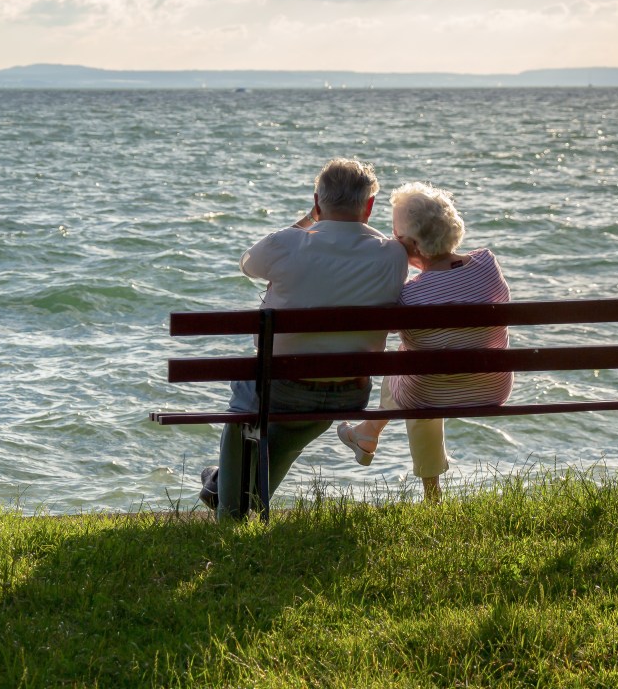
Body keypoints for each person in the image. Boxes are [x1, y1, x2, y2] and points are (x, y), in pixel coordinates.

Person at [199, 158, 409, 520]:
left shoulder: (288, 243)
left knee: (243, 411)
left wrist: (309, 221)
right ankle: (225, 489)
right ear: (370, 206)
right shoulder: (393, 254)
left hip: (279, 388)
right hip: (349, 390)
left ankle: (228, 508)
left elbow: (248, 264)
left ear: (316, 202)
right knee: (302, 414)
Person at [336, 181, 512, 501]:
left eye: (395, 236)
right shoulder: (487, 265)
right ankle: (367, 433)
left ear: (413, 244)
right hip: (492, 387)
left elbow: (380, 335)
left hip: (429, 392)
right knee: (420, 362)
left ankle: (382, 447)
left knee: (411, 366)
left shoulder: (410, 296)